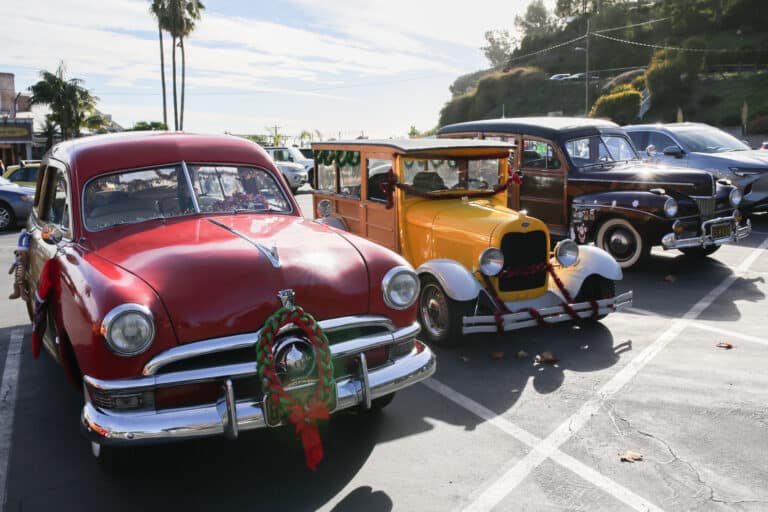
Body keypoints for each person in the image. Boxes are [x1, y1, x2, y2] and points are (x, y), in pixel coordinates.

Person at [8, 229, 30, 300]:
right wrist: (11, 270)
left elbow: (24, 270)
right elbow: (12, 268)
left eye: (22, 255)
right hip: (17, 277)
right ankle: (16, 293)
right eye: (18, 255)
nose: (19, 257)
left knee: (21, 284)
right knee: (15, 284)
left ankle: (22, 294)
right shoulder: (16, 262)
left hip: (21, 278)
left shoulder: (24, 263)